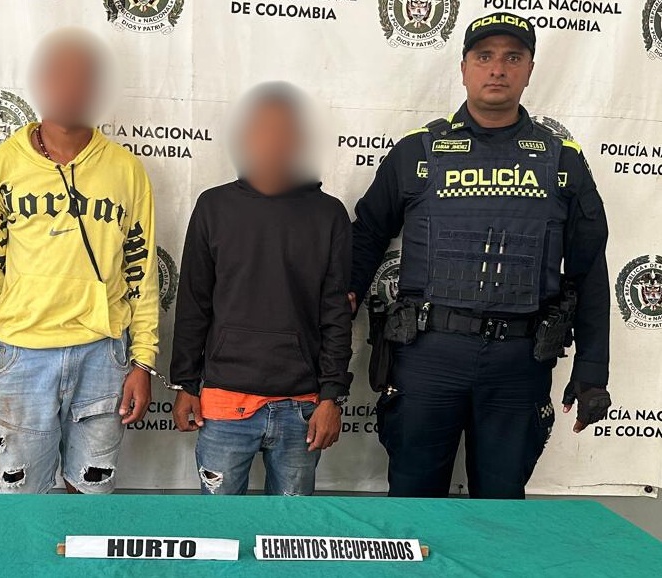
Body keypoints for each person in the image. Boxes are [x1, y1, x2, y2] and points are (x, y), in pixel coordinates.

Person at [350, 12, 611, 499]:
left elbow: (589, 267)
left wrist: (593, 369)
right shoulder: (417, 151)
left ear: (529, 70)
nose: (497, 69)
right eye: (484, 56)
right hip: (428, 355)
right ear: (464, 67)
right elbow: (365, 239)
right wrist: (331, 328)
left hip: (519, 362)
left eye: (513, 58)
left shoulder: (562, 159)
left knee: (501, 510)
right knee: (413, 503)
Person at [0, 28, 158, 494]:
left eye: (84, 76)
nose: (71, 86)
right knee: (23, 494)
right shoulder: (1, 165)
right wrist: (17, 320)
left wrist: (143, 361)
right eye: (58, 74)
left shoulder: (126, 169)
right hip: (24, 354)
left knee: (91, 491)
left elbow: (140, 272)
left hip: (103, 353)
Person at [170, 82, 353, 496]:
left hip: (302, 408)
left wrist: (332, 398)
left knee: (289, 528)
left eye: (285, 130)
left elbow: (336, 314)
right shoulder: (214, 207)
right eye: (263, 129)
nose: (273, 139)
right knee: (220, 527)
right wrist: (185, 384)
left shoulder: (328, 214)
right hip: (223, 403)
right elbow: (194, 303)